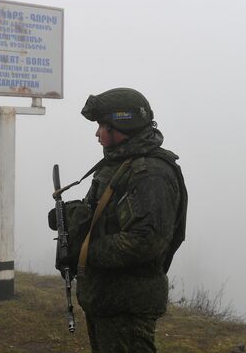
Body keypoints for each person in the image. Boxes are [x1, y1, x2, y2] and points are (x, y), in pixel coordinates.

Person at [51, 87, 188, 352]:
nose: (97, 133)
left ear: (122, 125)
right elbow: (107, 214)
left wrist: (84, 252)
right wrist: (72, 217)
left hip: (128, 308)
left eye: (103, 125)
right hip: (108, 300)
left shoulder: (151, 174)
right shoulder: (121, 165)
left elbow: (145, 242)